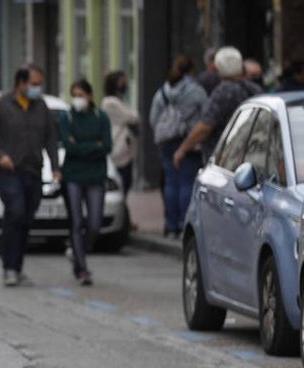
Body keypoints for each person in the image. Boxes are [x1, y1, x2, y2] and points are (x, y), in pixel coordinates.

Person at [0, 64, 61, 287]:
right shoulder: (1, 105)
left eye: (39, 84)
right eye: (33, 84)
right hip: (9, 172)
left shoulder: (41, 107)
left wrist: (55, 167)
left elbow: (51, 138)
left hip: (33, 171)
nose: (37, 89)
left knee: (25, 218)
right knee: (16, 210)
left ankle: (18, 265)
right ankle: (9, 267)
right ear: (20, 83)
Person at [58, 80, 112, 285]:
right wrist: (92, 146)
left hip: (96, 176)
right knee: (77, 221)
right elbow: (70, 148)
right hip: (73, 176)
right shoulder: (66, 117)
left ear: (90, 96)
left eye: (81, 94)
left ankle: (77, 249)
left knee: (95, 223)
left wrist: (81, 146)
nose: (78, 99)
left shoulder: (101, 117)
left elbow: (106, 145)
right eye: (74, 95)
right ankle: (82, 268)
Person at [174, 46, 261, 170]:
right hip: (253, 158)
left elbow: (205, 126)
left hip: (225, 162)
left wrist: (182, 149)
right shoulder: (254, 89)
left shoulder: (223, 92)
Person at [149, 56, 208, 238]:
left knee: (171, 182)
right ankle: (185, 224)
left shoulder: (163, 92)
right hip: (188, 141)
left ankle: (170, 224)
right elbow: (206, 115)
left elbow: (153, 119)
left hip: (166, 142)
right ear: (191, 71)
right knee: (187, 182)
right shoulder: (196, 91)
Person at [100, 70, 140, 210]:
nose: (125, 84)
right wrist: (133, 118)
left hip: (126, 147)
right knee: (122, 182)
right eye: (121, 81)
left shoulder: (120, 100)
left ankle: (125, 215)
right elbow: (133, 118)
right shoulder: (110, 102)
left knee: (126, 181)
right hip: (118, 147)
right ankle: (123, 215)